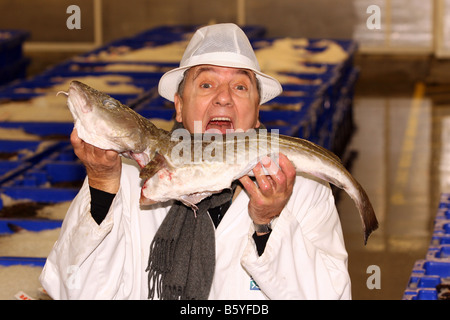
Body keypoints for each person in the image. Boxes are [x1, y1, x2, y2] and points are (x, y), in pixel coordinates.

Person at [40, 23, 351, 300]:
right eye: (206, 84)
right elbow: (72, 290)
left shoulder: (302, 187)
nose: (224, 97)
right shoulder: (122, 178)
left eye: (240, 87)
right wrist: (101, 186)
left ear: (257, 114)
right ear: (179, 106)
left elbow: (332, 294)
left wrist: (269, 223)